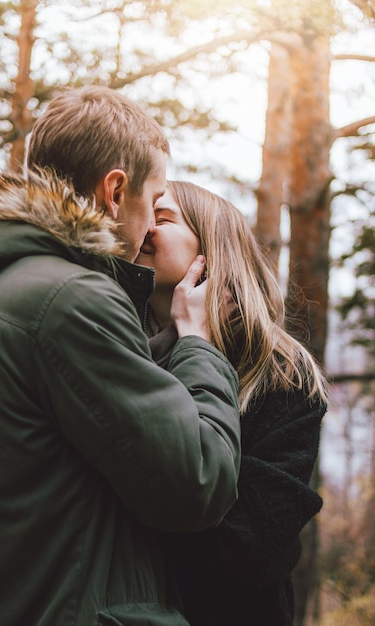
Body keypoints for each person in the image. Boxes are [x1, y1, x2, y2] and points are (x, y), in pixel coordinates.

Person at [0, 87, 242, 626]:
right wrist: (198, 344)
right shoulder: (71, 299)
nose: (151, 226)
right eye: (152, 199)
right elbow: (198, 482)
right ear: (115, 191)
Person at [136, 180, 329, 626]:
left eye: (162, 218)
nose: (143, 227)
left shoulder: (280, 373)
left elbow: (252, 549)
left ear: (212, 248)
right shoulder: (108, 342)